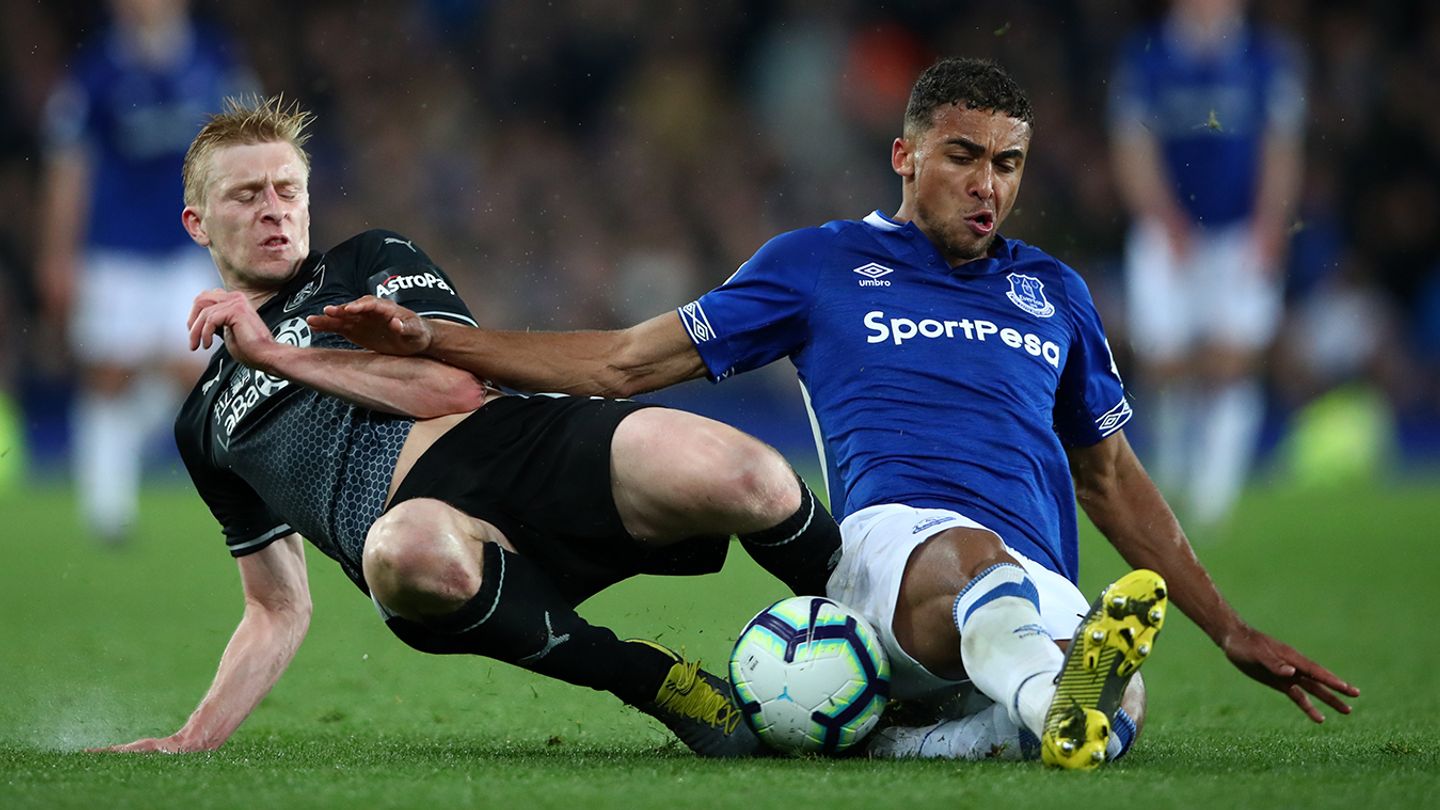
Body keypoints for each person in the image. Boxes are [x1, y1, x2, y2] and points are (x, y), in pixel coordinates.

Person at [313, 57, 1359, 769]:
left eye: (1008, 164)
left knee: (1117, 705)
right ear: (906, 157)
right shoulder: (819, 265)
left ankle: (962, 726)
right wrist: (436, 339)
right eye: (963, 156)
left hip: (1029, 584)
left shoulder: (1056, 294)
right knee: (972, 563)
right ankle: (1042, 699)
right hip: (894, 555)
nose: (987, 186)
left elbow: (1110, 477)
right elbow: (629, 363)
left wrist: (1229, 629)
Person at [97, 95, 843, 757]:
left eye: (288, 189)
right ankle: (660, 682)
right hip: (427, 535)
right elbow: (275, 604)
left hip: (520, 450)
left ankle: (886, 645)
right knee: (404, 549)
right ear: (197, 222)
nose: (273, 209)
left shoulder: (364, 263)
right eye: (246, 195)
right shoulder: (204, 423)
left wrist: (284, 357)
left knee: (746, 473)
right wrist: (189, 739)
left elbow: (452, 386)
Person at [36, 0, 256, 544]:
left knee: (198, 372)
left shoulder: (215, 61)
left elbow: (253, 148)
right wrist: (57, 252)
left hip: (191, 244)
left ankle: (161, 475)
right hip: (114, 246)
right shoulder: (97, 71)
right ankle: (107, 510)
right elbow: (70, 165)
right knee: (110, 373)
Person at [1109, 0, 1306, 533]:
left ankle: (1216, 493)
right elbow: (1132, 142)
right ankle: (1172, 471)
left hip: (1240, 229)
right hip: (1167, 228)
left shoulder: (1266, 57)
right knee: (1164, 360)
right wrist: (1160, 215)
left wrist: (1270, 224)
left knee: (1231, 356)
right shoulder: (1147, 57)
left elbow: (1281, 147)